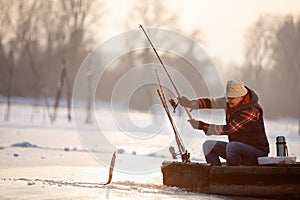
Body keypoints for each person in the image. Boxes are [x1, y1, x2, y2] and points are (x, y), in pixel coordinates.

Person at [177, 80, 269, 166]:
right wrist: (190, 103)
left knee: (232, 146)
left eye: (231, 98)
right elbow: (212, 102)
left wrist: (203, 126)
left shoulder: (251, 110)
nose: (228, 101)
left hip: (257, 153)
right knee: (208, 145)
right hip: (237, 149)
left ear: (241, 97)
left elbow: (229, 129)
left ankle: (229, 175)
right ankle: (215, 174)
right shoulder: (231, 102)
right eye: (228, 98)